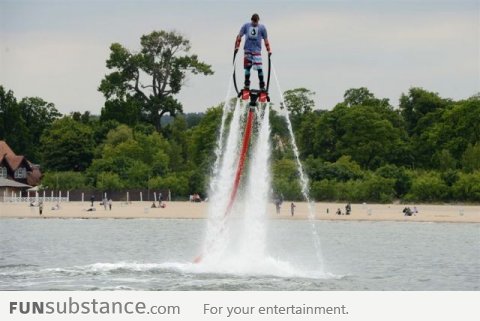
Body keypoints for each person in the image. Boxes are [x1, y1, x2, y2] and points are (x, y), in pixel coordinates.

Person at [234, 13, 272, 91]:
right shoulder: (246, 26)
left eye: (256, 22)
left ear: (258, 20)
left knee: (259, 68)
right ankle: (247, 85)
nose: (255, 24)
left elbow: (265, 39)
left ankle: (262, 86)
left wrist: (268, 50)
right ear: (251, 20)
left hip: (257, 51)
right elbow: (239, 36)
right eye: (253, 22)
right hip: (247, 50)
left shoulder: (262, 28)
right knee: (247, 68)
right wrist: (237, 46)